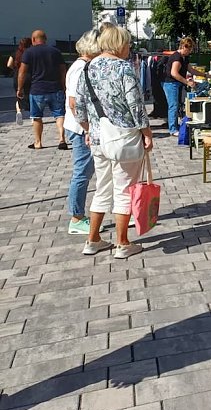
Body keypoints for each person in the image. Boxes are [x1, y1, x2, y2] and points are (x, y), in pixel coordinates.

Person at [74, 26, 152, 258]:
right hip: (123, 138)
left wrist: (89, 129)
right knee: (125, 190)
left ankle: (93, 239)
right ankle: (122, 243)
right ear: (119, 45)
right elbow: (136, 106)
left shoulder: (87, 68)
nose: (129, 48)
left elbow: (78, 108)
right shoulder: (123, 69)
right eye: (127, 44)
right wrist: (147, 133)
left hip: (98, 139)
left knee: (102, 188)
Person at [64, 30, 101, 235]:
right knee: (82, 173)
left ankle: (78, 215)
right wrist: (88, 128)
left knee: (84, 172)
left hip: (79, 126)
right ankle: (76, 217)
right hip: (80, 129)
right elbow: (74, 103)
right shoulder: (81, 68)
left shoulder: (80, 66)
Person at [17, 30, 68, 150]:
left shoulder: (28, 52)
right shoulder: (55, 51)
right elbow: (62, 70)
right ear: (45, 39)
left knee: (37, 117)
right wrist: (64, 86)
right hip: (55, 88)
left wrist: (20, 88)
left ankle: (38, 142)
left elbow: (22, 72)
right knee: (60, 115)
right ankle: (62, 139)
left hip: (37, 89)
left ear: (33, 39)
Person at [161, 37, 205, 136]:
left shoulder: (184, 57)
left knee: (176, 105)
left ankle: (175, 125)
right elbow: (174, 73)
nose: (190, 51)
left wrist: (205, 75)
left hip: (176, 83)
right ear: (183, 47)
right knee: (173, 105)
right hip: (170, 83)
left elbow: (191, 70)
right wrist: (187, 82)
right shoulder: (177, 57)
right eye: (189, 49)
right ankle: (173, 129)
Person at [6, 37, 32, 125]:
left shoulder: (16, 53)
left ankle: (19, 112)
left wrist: (15, 69)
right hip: (29, 75)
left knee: (19, 95)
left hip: (17, 76)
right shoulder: (30, 53)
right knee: (31, 95)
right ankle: (33, 116)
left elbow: (9, 64)